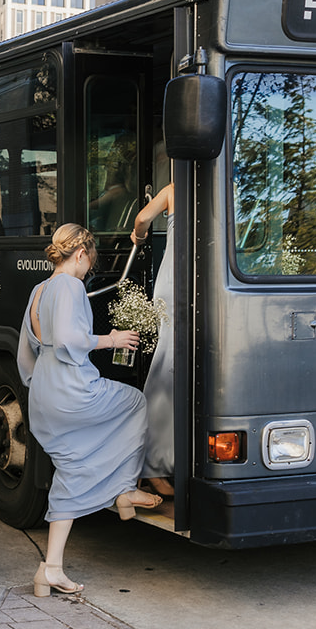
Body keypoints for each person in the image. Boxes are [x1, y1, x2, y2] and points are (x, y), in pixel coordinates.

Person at [17, 223, 161, 599]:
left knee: (72, 468)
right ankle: (124, 489)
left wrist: (41, 388)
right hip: (71, 387)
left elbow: (25, 353)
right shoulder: (69, 285)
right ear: (80, 254)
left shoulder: (39, 289)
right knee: (135, 403)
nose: (87, 270)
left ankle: (50, 569)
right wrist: (111, 339)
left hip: (44, 392)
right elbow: (68, 340)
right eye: (88, 263)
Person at [132, 181, 175, 495]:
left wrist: (140, 236)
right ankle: (150, 464)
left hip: (181, 281)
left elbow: (143, 219)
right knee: (166, 368)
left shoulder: (174, 189)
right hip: (179, 284)